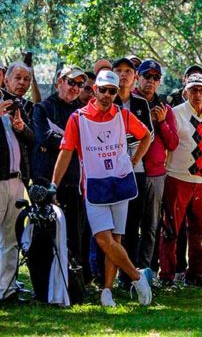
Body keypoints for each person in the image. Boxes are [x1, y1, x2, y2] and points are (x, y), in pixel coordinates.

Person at [52, 70, 152, 307]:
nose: (107, 95)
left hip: (120, 182)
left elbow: (146, 136)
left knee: (115, 238)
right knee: (104, 240)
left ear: (117, 93)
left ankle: (107, 291)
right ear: (94, 89)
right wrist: (53, 185)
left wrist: (134, 160)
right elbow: (66, 152)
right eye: (103, 89)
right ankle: (138, 278)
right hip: (94, 186)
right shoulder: (78, 118)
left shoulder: (123, 115)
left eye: (112, 91)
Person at [159, 74, 202, 288]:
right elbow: (169, 143)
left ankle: (196, 274)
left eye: (201, 90)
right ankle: (167, 274)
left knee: (201, 230)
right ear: (185, 91)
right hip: (177, 178)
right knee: (171, 229)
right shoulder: (175, 113)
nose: (197, 94)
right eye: (193, 90)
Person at [31, 66, 89, 280]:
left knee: (74, 235)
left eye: (80, 84)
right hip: (45, 180)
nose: (75, 88)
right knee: (44, 235)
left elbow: (83, 143)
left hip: (73, 181)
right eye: (71, 82)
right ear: (59, 82)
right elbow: (44, 138)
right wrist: (71, 141)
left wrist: (63, 139)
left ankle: (72, 283)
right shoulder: (42, 108)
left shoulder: (81, 112)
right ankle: (43, 284)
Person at [112, 57, 155, 288]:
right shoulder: (108, 100)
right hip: (110, 171)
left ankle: (129, 276)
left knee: (132, 223)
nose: (123, 75)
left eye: (128, 71)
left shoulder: (140, 104)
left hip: (136, 170)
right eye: (118, 70)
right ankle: (106, 274)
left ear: (135, 76)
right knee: (112, 225)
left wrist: (135, 158)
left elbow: (149, 134)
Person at [133, 59, 179, 272]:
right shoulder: (129, 103)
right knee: (129, 225)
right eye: (146, 76)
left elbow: (173, 143)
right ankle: (128, 270)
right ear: (137, 77)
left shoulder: (165, 108)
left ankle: (147, 269)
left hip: (156, 174)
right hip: (132, 172)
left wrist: (161, 122)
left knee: (151, 226)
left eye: (155, 78)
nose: (150, 81)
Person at [0, 90, 33, 301]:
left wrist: (21, 129)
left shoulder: (12, 103)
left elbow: (32, 138)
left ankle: (8, 289)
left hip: (17, 179)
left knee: (11, 238)